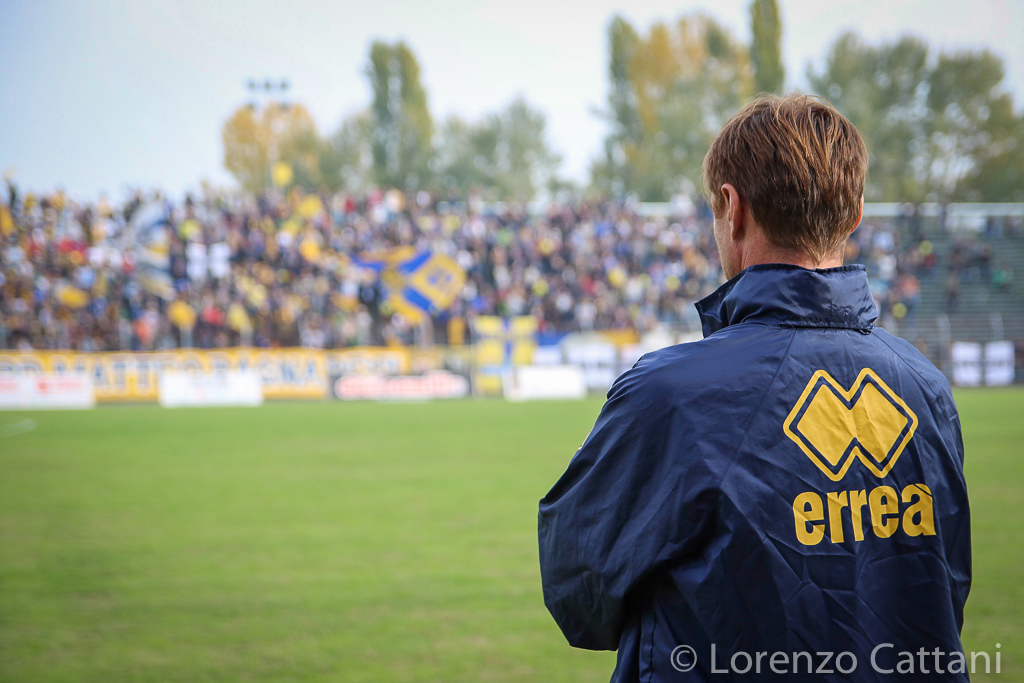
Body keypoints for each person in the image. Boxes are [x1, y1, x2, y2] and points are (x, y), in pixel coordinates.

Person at [538, 95, 971, 682]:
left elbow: (578, 588)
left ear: (733, 208)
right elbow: (945, 590)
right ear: (855, 214)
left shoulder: (670, 395)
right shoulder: (926, 387)